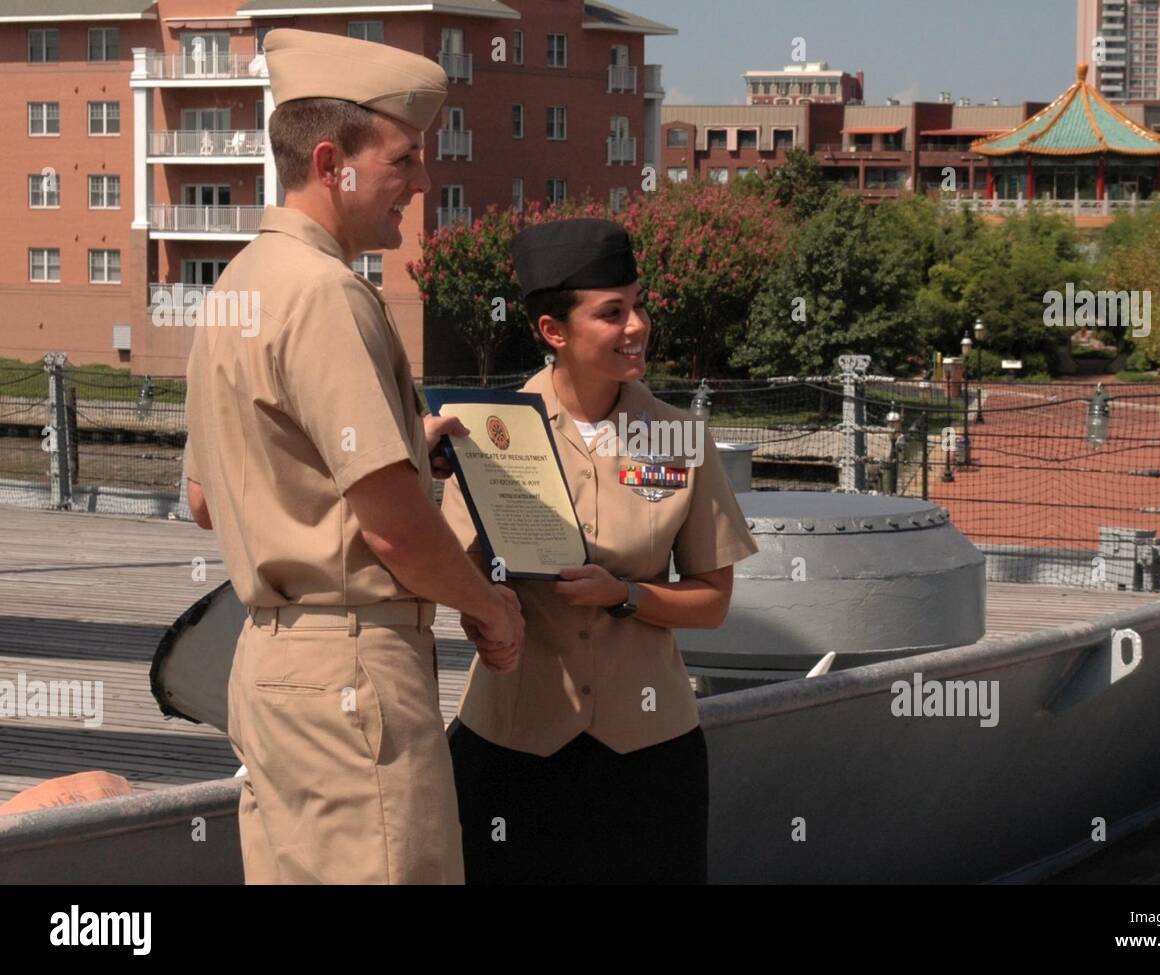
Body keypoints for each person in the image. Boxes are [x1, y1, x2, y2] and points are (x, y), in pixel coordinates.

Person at [183, 28, 523, 885]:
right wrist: (489, 607)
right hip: (353, 672)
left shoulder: (236, 288)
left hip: (270, 670)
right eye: (403, 159)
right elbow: (397, 533)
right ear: (332, 160)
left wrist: (406, 450)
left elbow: (207, 497)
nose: (420, 181)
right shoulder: (330, 295)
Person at [439, 218, 759, 883]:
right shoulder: (488, 433)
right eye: (612, 312)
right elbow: (452, 571)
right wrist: (482, 615)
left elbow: (713, 601)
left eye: (639, 304)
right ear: (554, 332)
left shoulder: (680, 438)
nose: (637, 325)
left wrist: (627, 595)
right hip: (512, 746)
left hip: (648, 755)